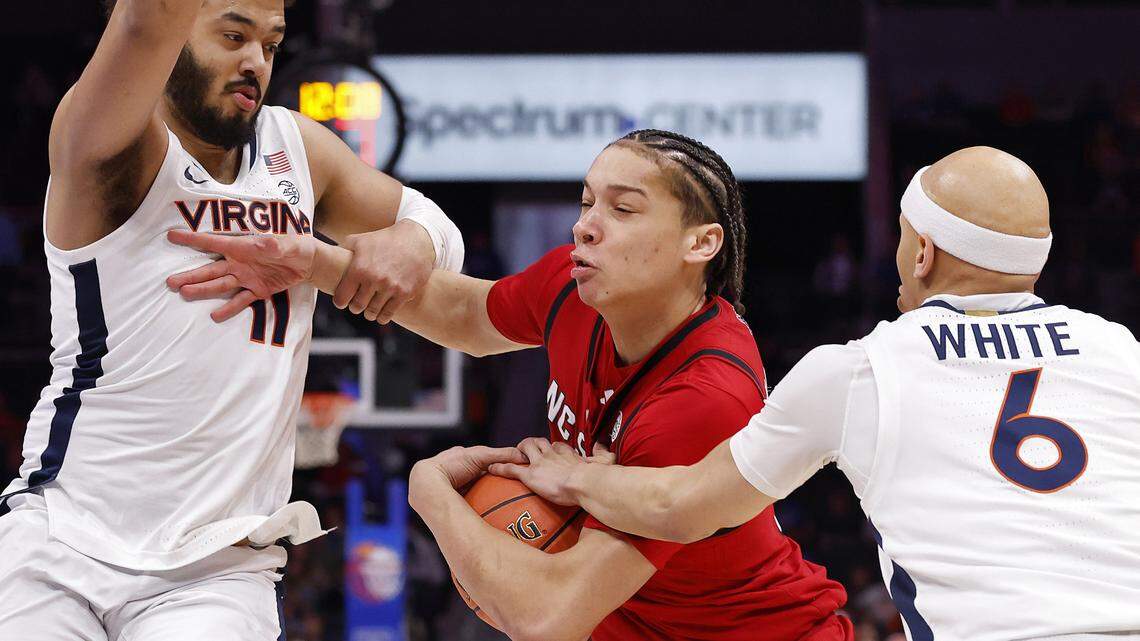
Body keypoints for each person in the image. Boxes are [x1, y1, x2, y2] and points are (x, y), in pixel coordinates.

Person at [168, 129, 855, 640]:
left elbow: (546, 612)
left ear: (700, 244)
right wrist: (309, 259)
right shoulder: (573, 287)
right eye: (587, 201)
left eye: (623, 209)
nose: (585, 224)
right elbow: (466, 313)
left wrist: (430, 493)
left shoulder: (704, 398)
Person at [497, 146, 1140, 640]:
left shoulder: (861, 370)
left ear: (921, 252)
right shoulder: (1123, 352)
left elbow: (679, 504)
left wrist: (576, 479)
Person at [0, 0, 463, 638]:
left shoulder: (297, 150)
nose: (255, 63)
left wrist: (417, 241)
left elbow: (439, 228)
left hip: (216, 569)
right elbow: (144, 20)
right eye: (232, 35)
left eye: (270, 45)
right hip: (62, 539)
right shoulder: (107, 142)